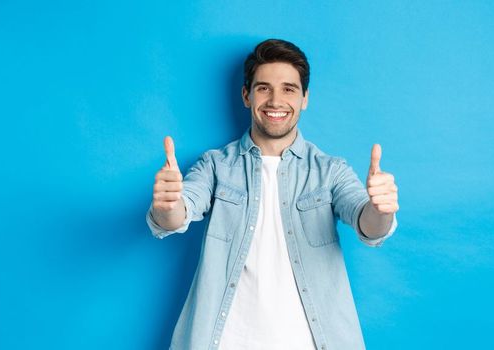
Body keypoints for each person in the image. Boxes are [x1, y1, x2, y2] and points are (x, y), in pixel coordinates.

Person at [147, 39, 399, 350]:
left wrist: (381, 209)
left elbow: (367, 222)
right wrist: (167, 204)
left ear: (305, 98)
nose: (275, 100)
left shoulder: (330, 170)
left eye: (289, 89)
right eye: (264, 88)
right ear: (246, 95)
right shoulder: (215, 166)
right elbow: (176, 216)